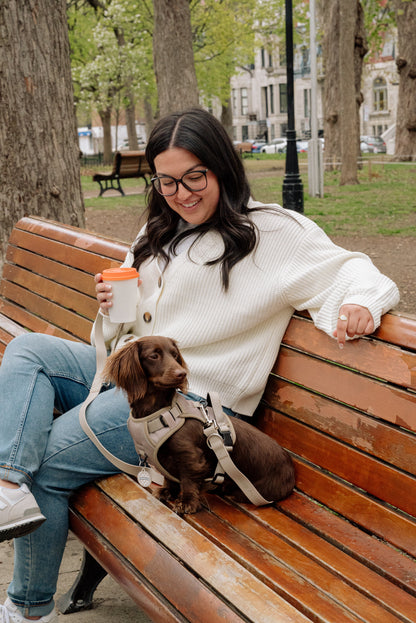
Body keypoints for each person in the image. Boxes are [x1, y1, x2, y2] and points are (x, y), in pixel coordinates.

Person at [0, 107, 399, 622]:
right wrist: (109, 307)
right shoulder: (157, 230)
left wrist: (361, 303)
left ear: (222, 167)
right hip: (133, 380)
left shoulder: (272, 232)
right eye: (167, 182)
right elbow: (128, 332)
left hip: (185, 412)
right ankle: (6, 486)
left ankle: (27, 610)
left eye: (195, 177)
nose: (183, 194)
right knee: (30, 350)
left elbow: (353, 271)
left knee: (49, 466)